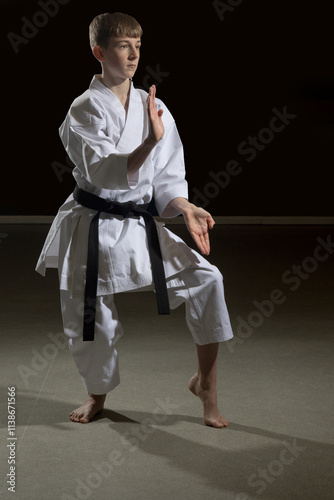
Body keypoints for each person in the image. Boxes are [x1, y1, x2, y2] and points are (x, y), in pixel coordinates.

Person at [36, 12, 233, 428]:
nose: (132, 54)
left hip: (137, 226)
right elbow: (103, 169)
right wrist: (147, 142)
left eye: (138, 45)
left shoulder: (154, 105)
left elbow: (167, 175)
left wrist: (184, 207)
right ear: (99, 51)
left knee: (208, 280)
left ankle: (206, 385)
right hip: (91, 225)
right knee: (91, 321)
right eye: (123, 45)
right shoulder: (84, 108)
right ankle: (96, 395)